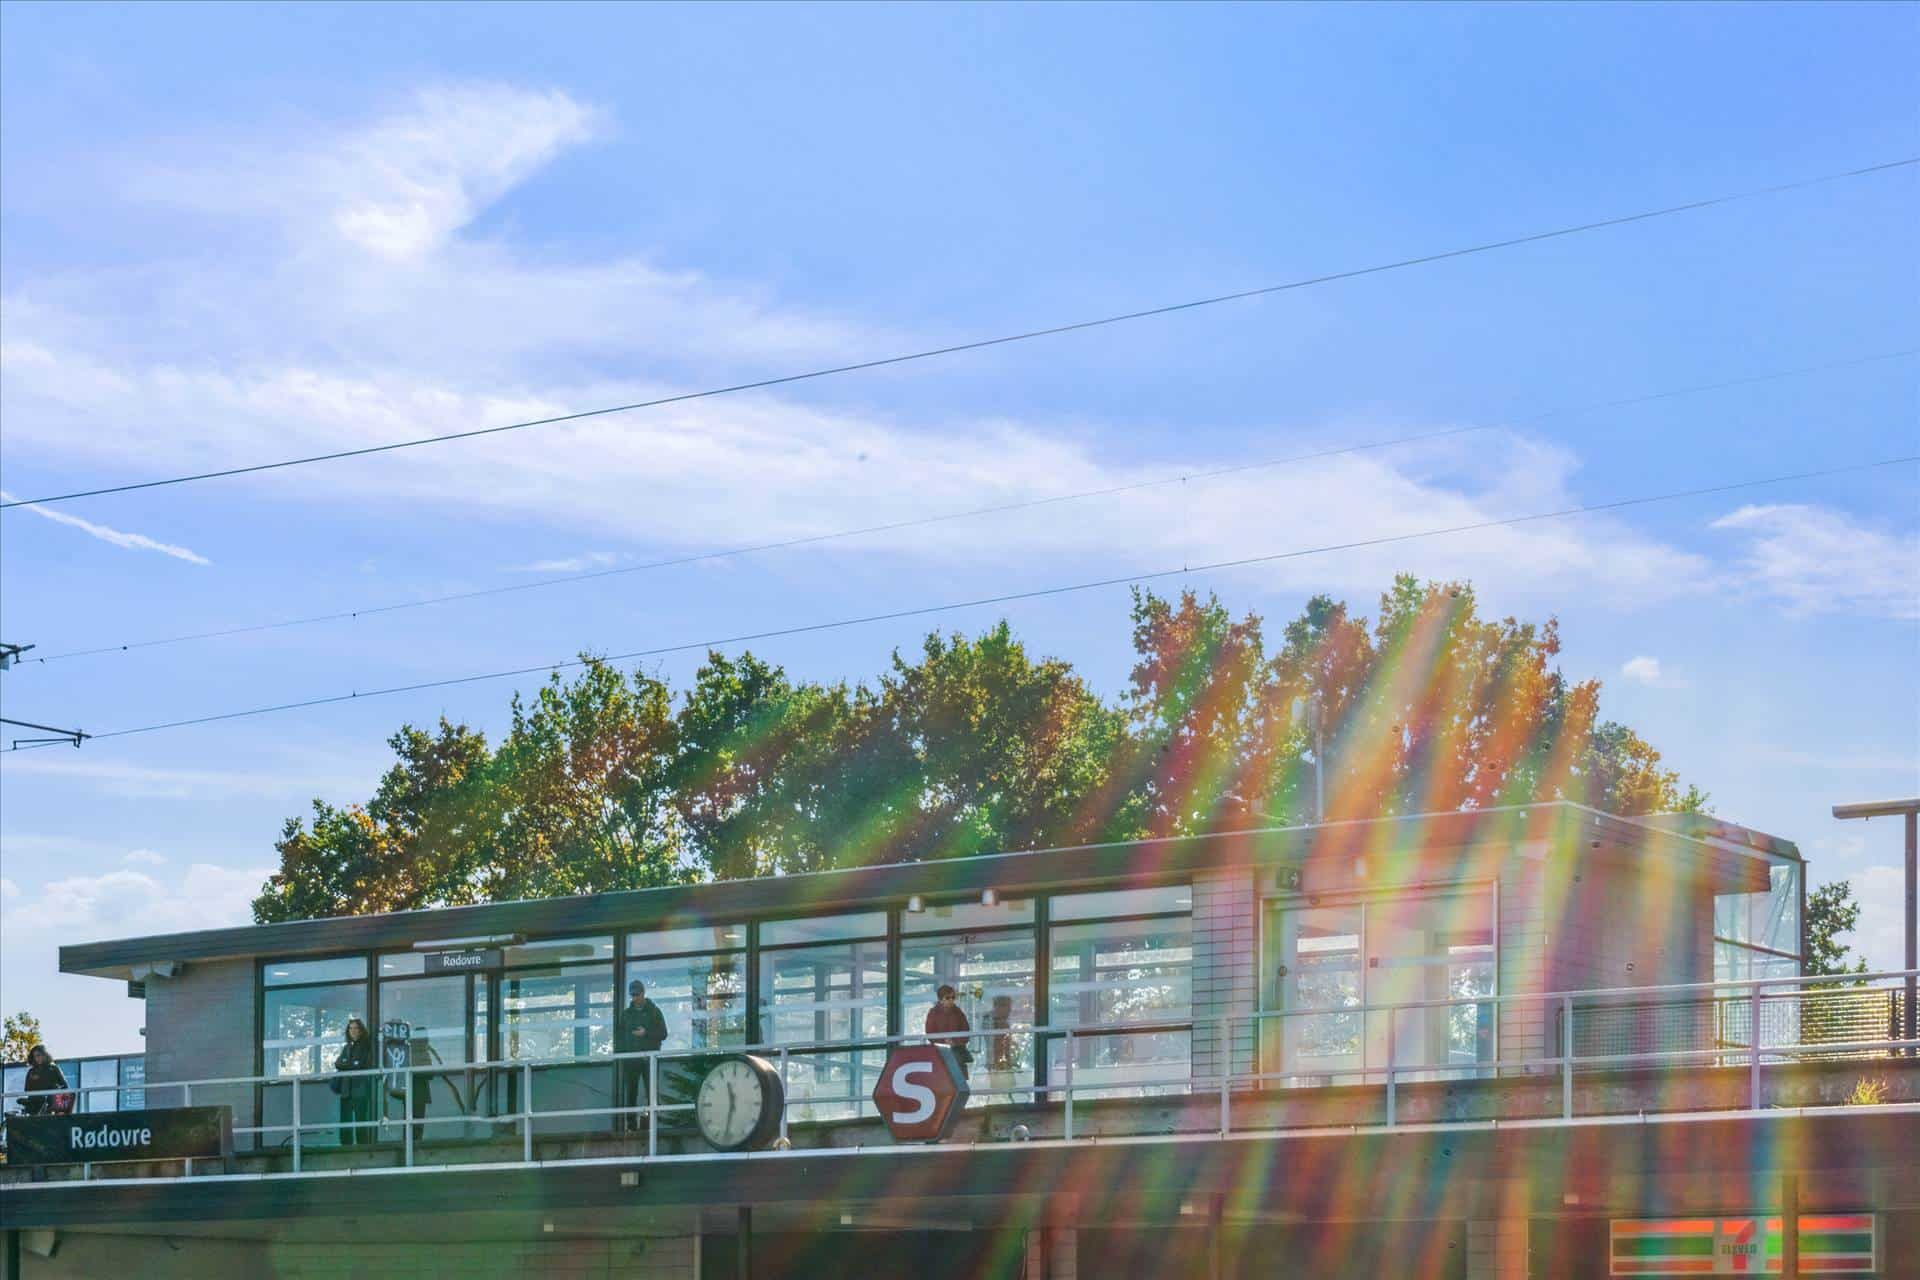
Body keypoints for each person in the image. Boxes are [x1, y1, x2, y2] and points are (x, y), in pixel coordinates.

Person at [614, 980, 668, 1134]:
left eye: (637, 994)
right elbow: (619, 1038)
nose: (635, 998)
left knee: (651, 1092)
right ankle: (631, 1125)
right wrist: (622, 1056)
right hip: (631, 1061)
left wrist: (646, 1033)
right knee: (631, 1093)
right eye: (632, 995)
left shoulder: (654, 1012)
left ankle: (652, 1124)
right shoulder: (626, 1015)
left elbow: (663, 1033)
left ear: (643, 993)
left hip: (649, 1060)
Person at [333, 1017, 376, 1146]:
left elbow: (362, 1064)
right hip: (346, 1089)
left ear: (361, 1030)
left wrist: (347, 1064)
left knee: (361, 1118)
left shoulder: (366, 1046)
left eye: (356, 1028)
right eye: (350, 1028)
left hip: (360, 1088)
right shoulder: (347, 1047)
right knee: (345, 1119)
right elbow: (338, 1063)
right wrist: (351, 1064)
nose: (353, 1031)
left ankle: (362, 1145)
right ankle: (346, 1146)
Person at [925, 984, 973, 1079]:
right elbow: (930, 1033)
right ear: (940, 999)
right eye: (947, 998)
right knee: (944, 1079)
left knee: (959, 1079)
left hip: (957, 1050)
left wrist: (955, 1042)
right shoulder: (933, 1013)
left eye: (953, 997)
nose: (951, 1000)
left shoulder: (958, 1012)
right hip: (941, 1052)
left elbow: (966, 1031)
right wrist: (944, 1042)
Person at [19, 1045, 70, 1116]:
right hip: (35, 1102)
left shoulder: (53, 1068)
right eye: (35, 1056)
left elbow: (65, 1086)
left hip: (50, 1102)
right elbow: (27, 1090)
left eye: (39, 1055)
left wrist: (60, 1104)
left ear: (45, 1055)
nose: (37, 1058)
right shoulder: (31, 1071)